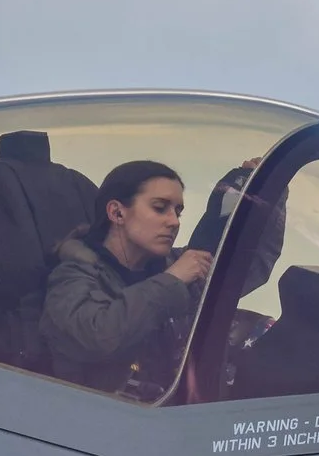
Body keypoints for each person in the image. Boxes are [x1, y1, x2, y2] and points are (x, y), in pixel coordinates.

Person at [41, 160, 214, 395]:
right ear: (117, 212)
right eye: (160, 207)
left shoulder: (172, 267)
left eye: (178, 211)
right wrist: (171, 282)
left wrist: (253, 195)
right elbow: (94, 337)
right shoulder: (72, 276)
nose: (174, 222)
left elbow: (237, 270)